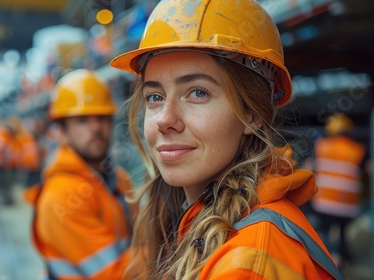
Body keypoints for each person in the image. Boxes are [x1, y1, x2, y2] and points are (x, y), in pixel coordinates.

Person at [110, 0, 342, 279]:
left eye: (198, 93)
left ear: (252, 114)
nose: (164, 120)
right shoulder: (188, 221)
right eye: (155, 97)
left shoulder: (247, 264)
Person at [32, 69, 135, 279]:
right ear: (62, 130)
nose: (96, 127)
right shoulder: (61, 196)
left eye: (102, 118)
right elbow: (116, 275)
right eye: (82, 120)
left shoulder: (118, 178)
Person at [310, 112, 367, 265]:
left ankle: (332, 256)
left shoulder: (321, 146)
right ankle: (342, 255)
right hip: (347, 204)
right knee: (342, 232)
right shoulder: (358, 150)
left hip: (324, 202)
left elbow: (311, 168)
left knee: (326, 232)